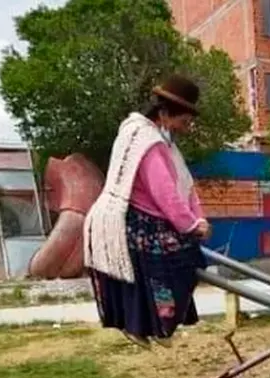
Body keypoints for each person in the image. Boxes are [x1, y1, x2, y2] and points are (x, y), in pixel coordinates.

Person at [83, 74, 211, 348]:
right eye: (183, 122)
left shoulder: (164, 144)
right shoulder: (146, 141)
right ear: (164, 114)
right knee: (184, 261)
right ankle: (146, 326)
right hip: (132, 223)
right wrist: (190, 226)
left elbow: (185, 186)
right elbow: (164, 192)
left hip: (145, 220)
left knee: (162, 273)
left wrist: (198, 218)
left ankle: (155, 328)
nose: (185, 129)